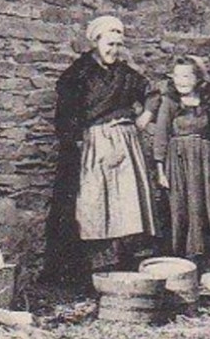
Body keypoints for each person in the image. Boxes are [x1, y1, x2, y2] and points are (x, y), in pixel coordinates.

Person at [37, 15, 158, 290]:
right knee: (95, 205)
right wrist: (77, 144)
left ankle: (127, 266)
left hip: (126, 143)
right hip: (93, 143)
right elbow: (65, 114)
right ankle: (97, 270)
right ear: (96, 41)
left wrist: (146, 116)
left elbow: (152, 93)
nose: (113, 50)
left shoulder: (126, 74)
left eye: (118, 44)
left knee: (127, 205)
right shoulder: (78, 73)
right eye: (109, 43)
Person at [153, 55, 210, 291]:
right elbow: (161, 136)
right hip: (178, 165)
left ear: (197, 78)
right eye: (177, 76)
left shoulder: (208, 105)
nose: (181, 81)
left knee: (207, 213)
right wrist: (160, 169)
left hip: (205, 165)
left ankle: (206, 270)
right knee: (181, 212)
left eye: (186, 75)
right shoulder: (169, 103)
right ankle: (182, 269)